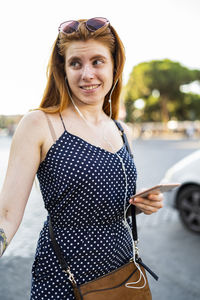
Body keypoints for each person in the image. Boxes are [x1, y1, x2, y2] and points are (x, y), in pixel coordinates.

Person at [0, 17, 163, 299]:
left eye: (97, 61)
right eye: (76, 63)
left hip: (123, 271)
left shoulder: (122, 129)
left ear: (114, 66)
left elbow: (110, 206)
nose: (87, 73)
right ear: (63, 70)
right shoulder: (40, 124)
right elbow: (6, 216)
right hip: (64, 277)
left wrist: (141, 203)